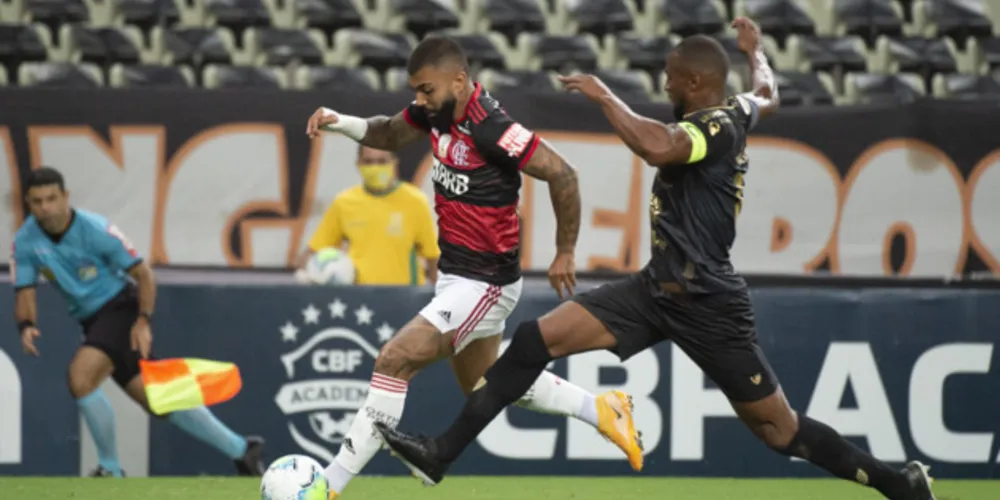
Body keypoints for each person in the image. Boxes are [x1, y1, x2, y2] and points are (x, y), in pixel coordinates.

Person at [375, 18, 936, 500]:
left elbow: (657, 148)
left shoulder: (712, 128)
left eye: (669, 76)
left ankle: (896, 483)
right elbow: (767, 93)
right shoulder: (739, 108)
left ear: (694, 84)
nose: (664, 82)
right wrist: (755, 53)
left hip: (707, 302)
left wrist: (603, 96)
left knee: (778, 431)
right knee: (530, 343)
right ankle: (441, 453)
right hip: (653, 289)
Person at [305, 36, 642, 499]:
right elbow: (387, 132)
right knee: (489, 384)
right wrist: (337, 121)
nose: (419, 101)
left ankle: (329, 485)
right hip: (456, 276)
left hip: (486, 282)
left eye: (426, 90)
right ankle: (601, 409)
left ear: (459, 81)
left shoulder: (492, 126)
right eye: (417, 91)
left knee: (394, 359)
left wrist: (565, 251)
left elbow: (563, 173)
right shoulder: (435, 112)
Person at [10, 167, 265, 477]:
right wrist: (26, 325)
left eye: (51, 198)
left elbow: (143, 273)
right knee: (156, 397)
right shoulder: (25, 240)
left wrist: (142, 321)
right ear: (28, 202)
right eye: (37, 201)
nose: (45, 207)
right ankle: (241, 450)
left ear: (66, 197)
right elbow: (25, 289)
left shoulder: (96, 230)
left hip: (121, 309)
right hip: (91, 321)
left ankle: (110, 467)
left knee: (81, 377)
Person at [295, 144, 440, 286]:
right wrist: (307, 272)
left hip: (404, 299)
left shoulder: (415, 201)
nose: (375, 167)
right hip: (361, 301)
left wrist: (440, 299)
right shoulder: (344, 202)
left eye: (382, 161)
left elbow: (432, 257)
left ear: (394, 163)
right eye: (369, 161)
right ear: (358, 164)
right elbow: (313, 251)